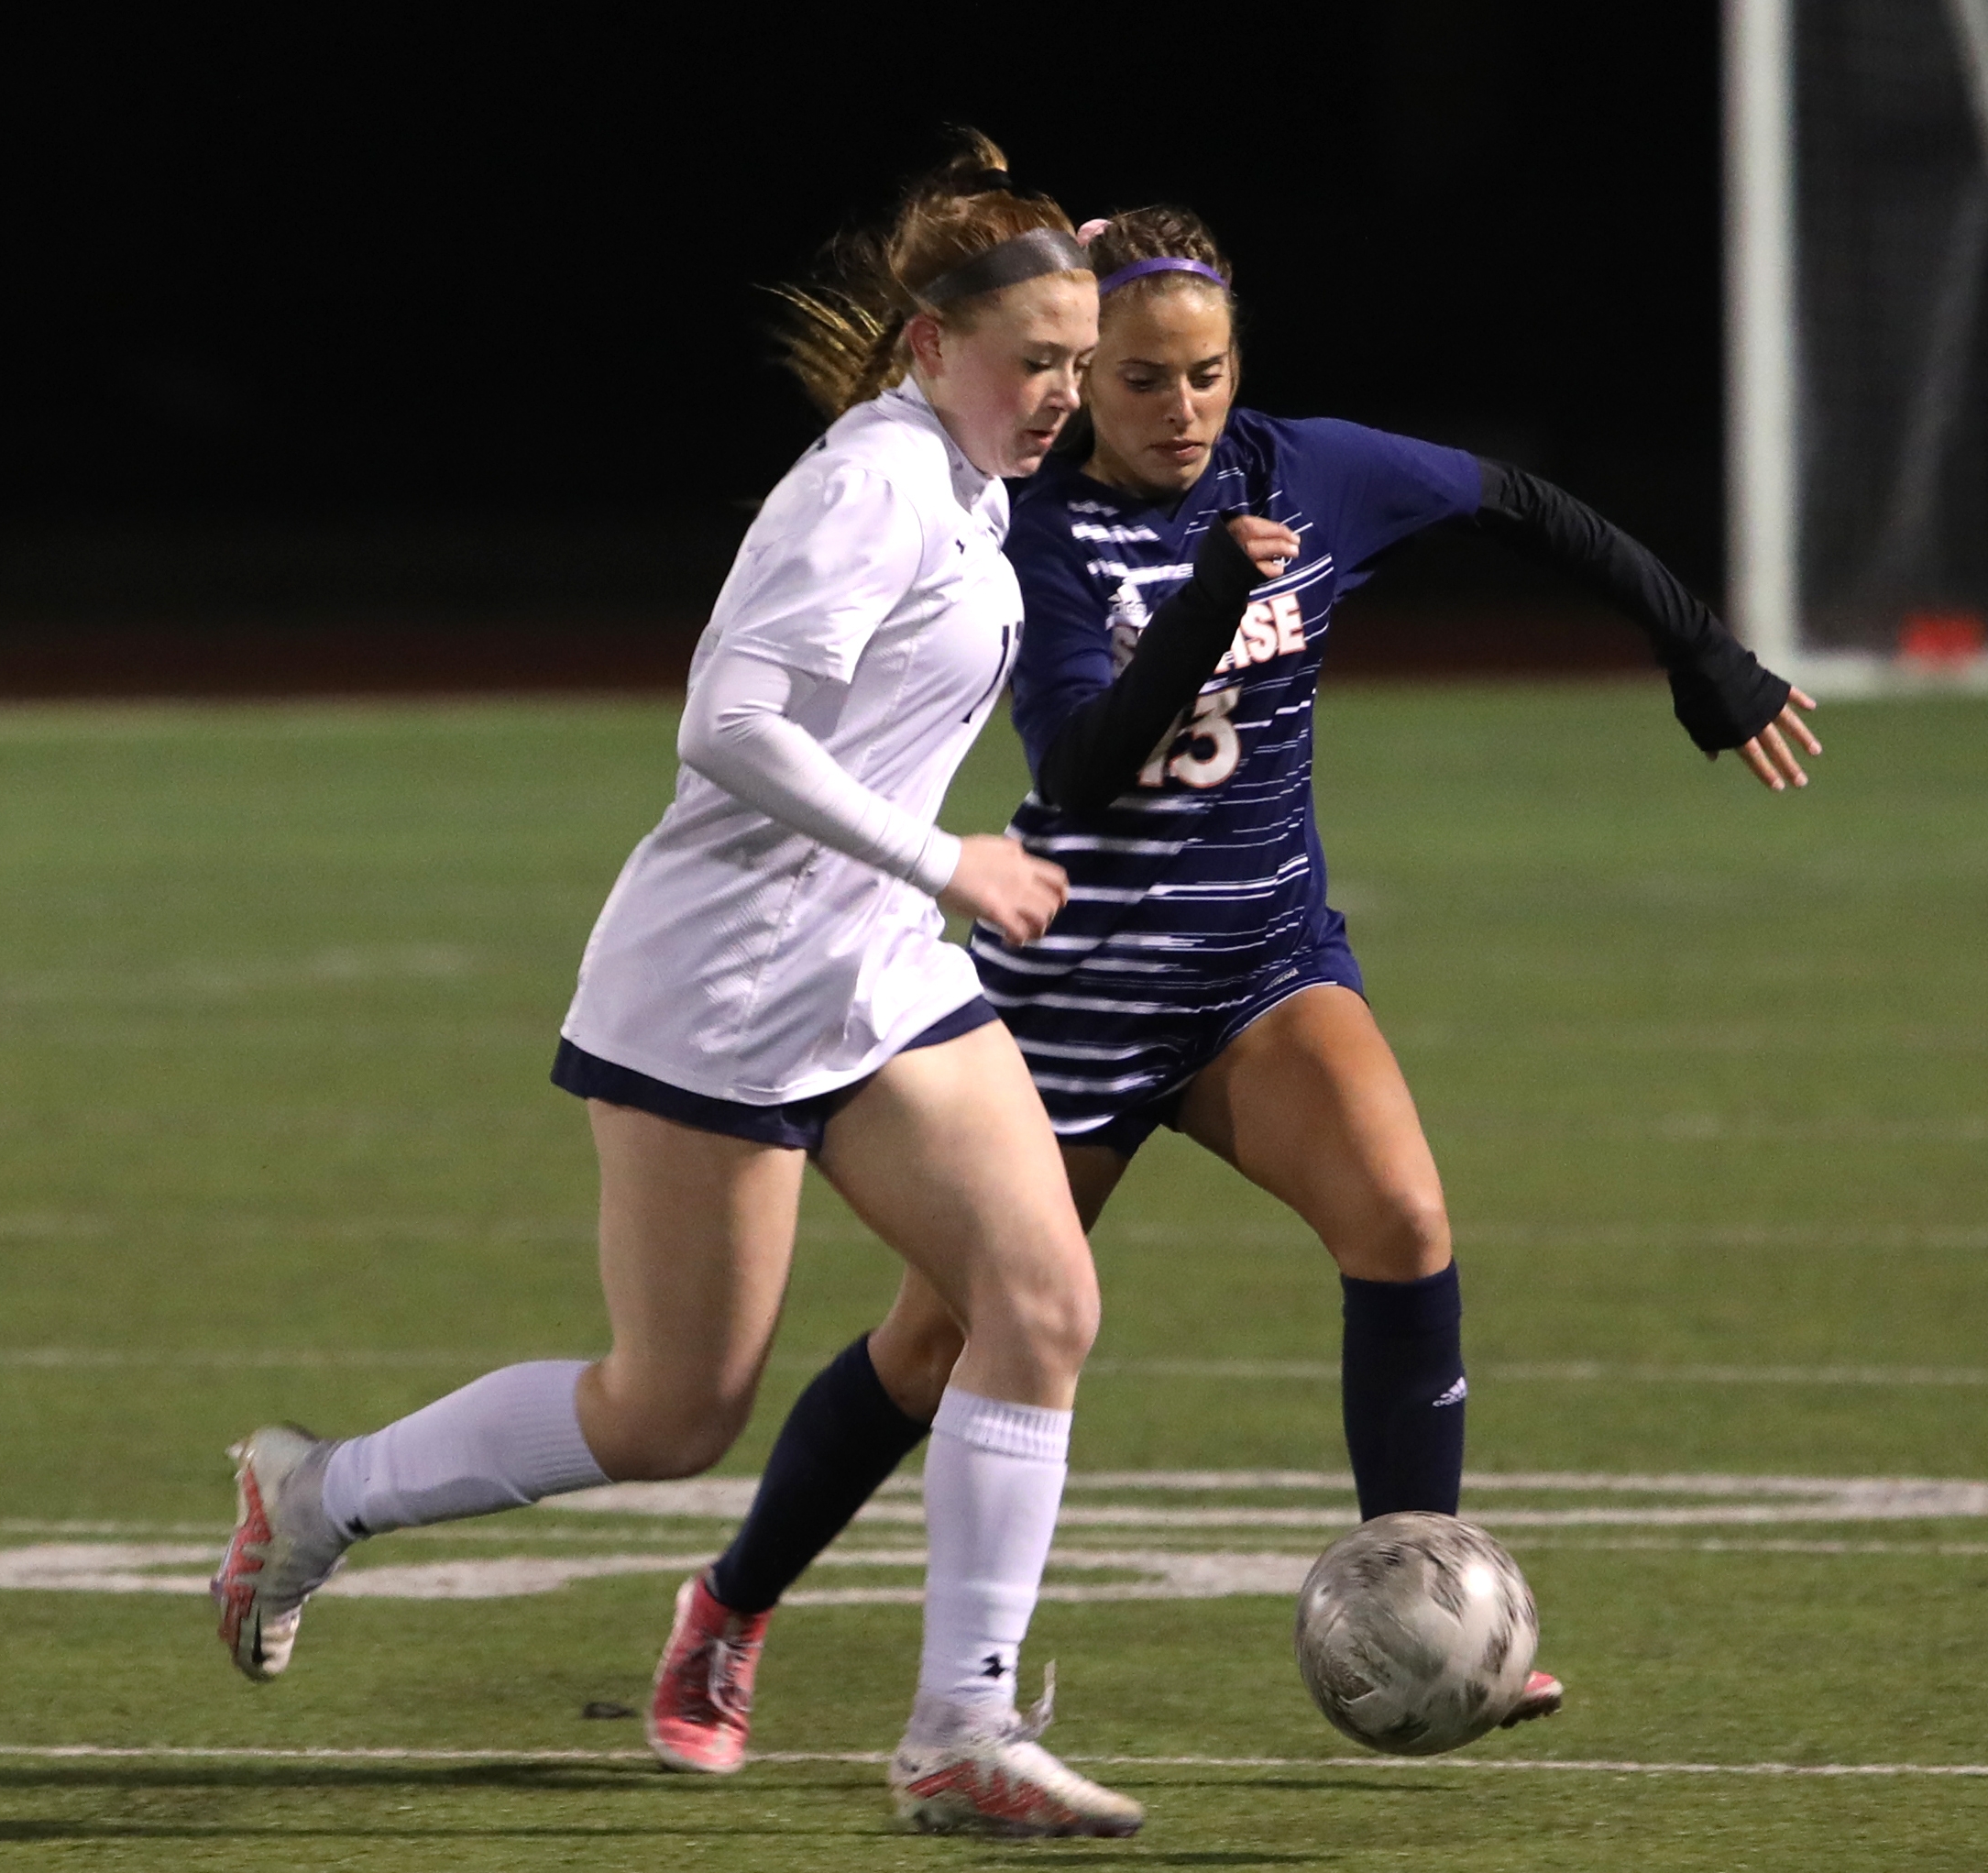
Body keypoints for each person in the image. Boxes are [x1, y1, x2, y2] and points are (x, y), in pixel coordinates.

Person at [640, 203, 1824, 1769]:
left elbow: (1519, 503)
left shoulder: (1303, 470)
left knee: (1401, 1221)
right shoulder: (1029, 526)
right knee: (938, 1340)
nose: (1179, 407)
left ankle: (1425, 1604)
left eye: (1204, 372)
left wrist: (1702, 655)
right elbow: (1077, 761)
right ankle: (727, 1610)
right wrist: (1204, 598)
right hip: (1070, 997)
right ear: (1078, 379)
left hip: (1260, 971)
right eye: (1138, 380)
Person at [209, 137, 1291, 1839]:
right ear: (930, 347)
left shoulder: (969, 478)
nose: (1061, 395)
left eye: (1079, 367)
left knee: (1041, 1301)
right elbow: (727, 724)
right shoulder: (866, 486)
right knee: (670, 1410)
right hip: (714, 986)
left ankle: (958, 1730)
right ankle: (316, 1493)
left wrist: (924, 883)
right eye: (1037, 363)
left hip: (870, 975)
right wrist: (950, 858)